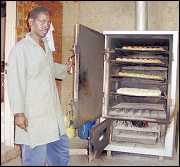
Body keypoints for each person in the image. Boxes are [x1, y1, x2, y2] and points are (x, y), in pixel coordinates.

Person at [7, 7, 72, 166]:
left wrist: (68, 66)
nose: (46, 26)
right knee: (35, 160)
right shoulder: (20, 50)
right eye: (42, 21)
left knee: (61, 155)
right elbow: (15, 83)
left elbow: (50, 68)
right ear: (30, 22)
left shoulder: (45, 46)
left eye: (48, 22)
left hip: (52, 115)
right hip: (33, 118)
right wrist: (19, 113)